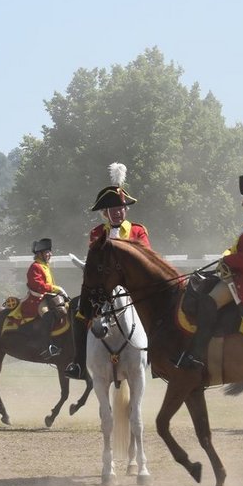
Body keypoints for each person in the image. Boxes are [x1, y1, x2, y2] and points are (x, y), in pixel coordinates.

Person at [175, 174, 243, 371]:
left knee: (208, 302)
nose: (242, 204)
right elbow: (241, 250)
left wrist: (226, 259)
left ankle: (197, 355)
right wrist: (228, 254)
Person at [64, 162, 150, 380]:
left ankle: (157, 358)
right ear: (104, 213)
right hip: (103, 289)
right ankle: (78, 363)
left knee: (157, 311)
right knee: (77, 308)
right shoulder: (96, 233)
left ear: (126, 209)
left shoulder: (137, 230)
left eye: (120, 208)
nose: (117, 212)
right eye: (112, 209)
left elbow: (145, 258)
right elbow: (96, 260)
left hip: (132, 286)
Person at [21, 237, 68, 357]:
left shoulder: (44, 265)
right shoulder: (35, 266)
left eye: (49, 252)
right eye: (47, 252)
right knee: (48, 316)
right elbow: (38, 285)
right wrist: (55, 288)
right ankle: (46, 347)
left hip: (46, 297)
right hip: (37, 300)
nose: (50, 254)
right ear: (40, 254)